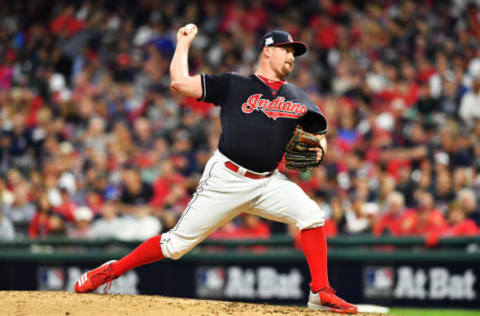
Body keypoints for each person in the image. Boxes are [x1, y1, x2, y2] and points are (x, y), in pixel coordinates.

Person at [73, 24, 357, 314]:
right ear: (267, 51)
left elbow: (318, 132)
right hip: (227, 178)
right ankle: (111, 271)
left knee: (311, 215)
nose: (291, 57)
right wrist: (183, 43)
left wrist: (320, 143)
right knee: (175, 245)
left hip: (268, 182)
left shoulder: (297, 96)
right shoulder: (235, 84)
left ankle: (320, 292)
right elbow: (179, 83)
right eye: (286, 50)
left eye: (294, 53)